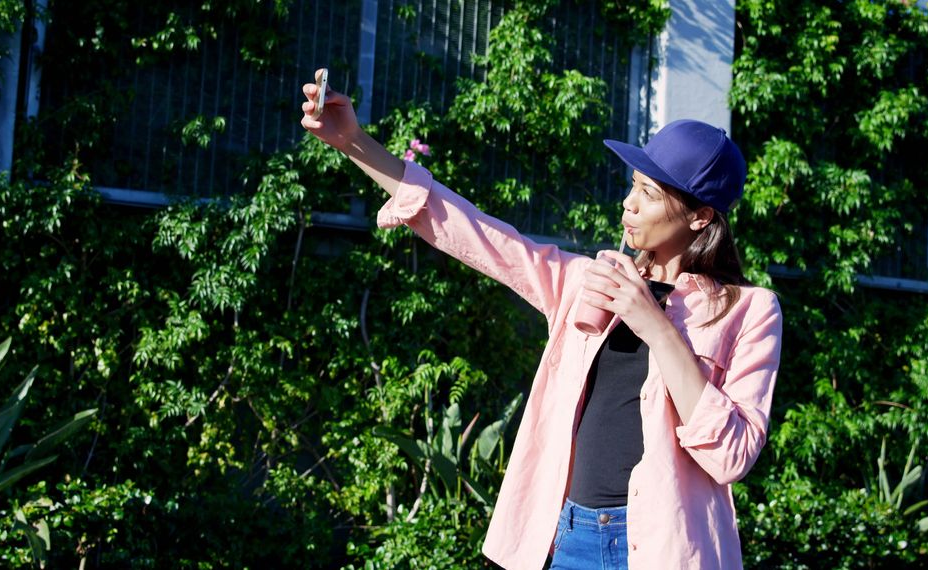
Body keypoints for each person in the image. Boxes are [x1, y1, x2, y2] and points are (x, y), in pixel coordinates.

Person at [301, 72, 782, 570]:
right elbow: (480, 235)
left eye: (649, 194)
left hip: (665, 551)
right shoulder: (587, 282)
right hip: (564, 540)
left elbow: (733, 457)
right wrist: (354, 142)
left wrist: (657, 327)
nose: (628, 203)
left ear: (700, 217)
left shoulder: (748, 310)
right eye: (632, 187)